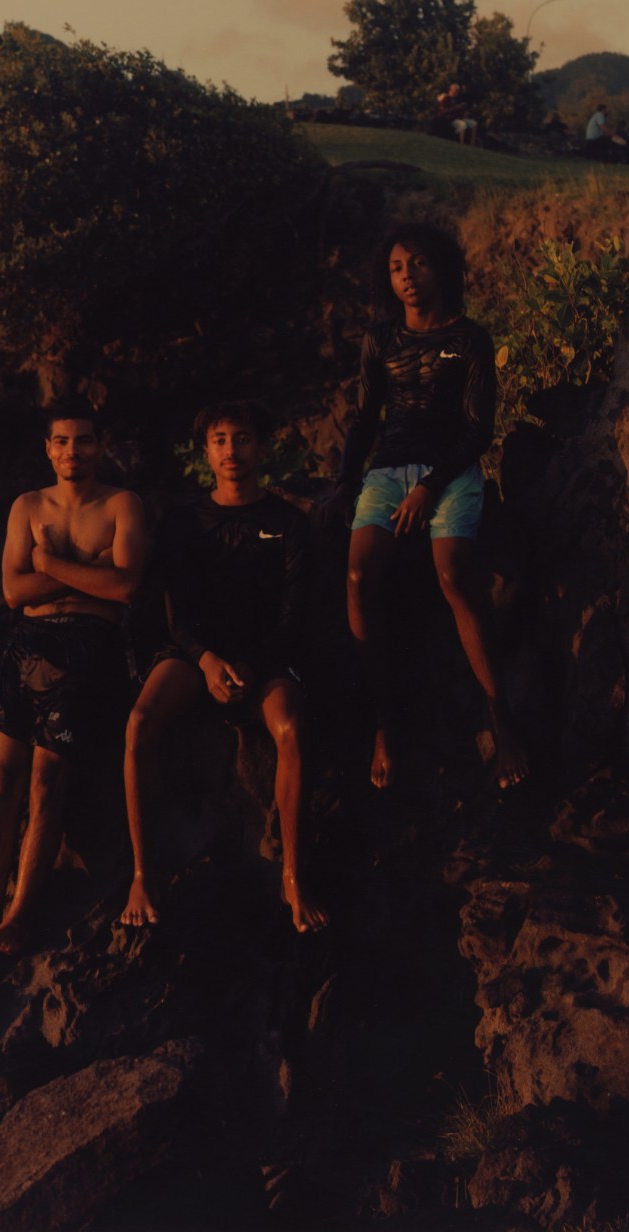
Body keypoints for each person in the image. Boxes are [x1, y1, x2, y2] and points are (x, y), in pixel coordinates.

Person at [0, 409, 147, 977]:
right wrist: (85, 568)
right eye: (62, 442)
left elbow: (127, 586)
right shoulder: (27, 506)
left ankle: (19, 916)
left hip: (89, 650)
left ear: (100, 445)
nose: (73, 452)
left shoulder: (122, 505)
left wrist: (48, 563)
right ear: (48, 449)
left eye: (84, 441)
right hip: (25, 647)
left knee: (45, 780)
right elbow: (15, 591)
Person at [122, 404, 327, 933]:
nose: (232, 451)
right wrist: (207, 660)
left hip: (265, 658)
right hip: (196, 656)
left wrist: (251, 665)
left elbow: (294, 613)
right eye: (220, 440)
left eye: (242, 439)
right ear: (206, 451)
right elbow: (176, 611)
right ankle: (143, 876)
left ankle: (294, 877)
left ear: (261, 448)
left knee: (291, 727)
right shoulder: (185, 521)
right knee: (140, 724)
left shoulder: (288, 522)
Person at [339, 225, 529, 792]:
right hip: (388, 471)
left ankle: (503, 722)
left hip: (451, 470)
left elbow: (479, 429)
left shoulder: (469, 338)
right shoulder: (380, 340)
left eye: (418, 264)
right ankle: (383, 727)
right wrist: (347, 484)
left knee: (453, 575)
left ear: (440, 269)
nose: (408, 277)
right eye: (397, 268)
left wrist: (431, 487)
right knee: (355, 575)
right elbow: (364, 420)